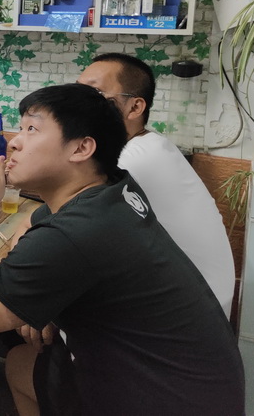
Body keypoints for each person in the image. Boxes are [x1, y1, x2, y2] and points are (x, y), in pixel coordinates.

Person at [0, 84, 244, 416]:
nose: (14, 141)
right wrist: (38, 299)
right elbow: (36, 222)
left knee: (20, 361)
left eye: (32, 129)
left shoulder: (76, 232)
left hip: (164, 399)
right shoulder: (114, 187)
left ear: (82, 148)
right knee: (20, 363)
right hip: (206, 386)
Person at [77, 52, 235, 316]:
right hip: (194, 302)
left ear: (135, 107)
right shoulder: (146, 144)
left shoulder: (135, 159)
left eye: (95, 94)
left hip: (189, 318)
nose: (77, 103)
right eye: (76, 92)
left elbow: (74, 230)